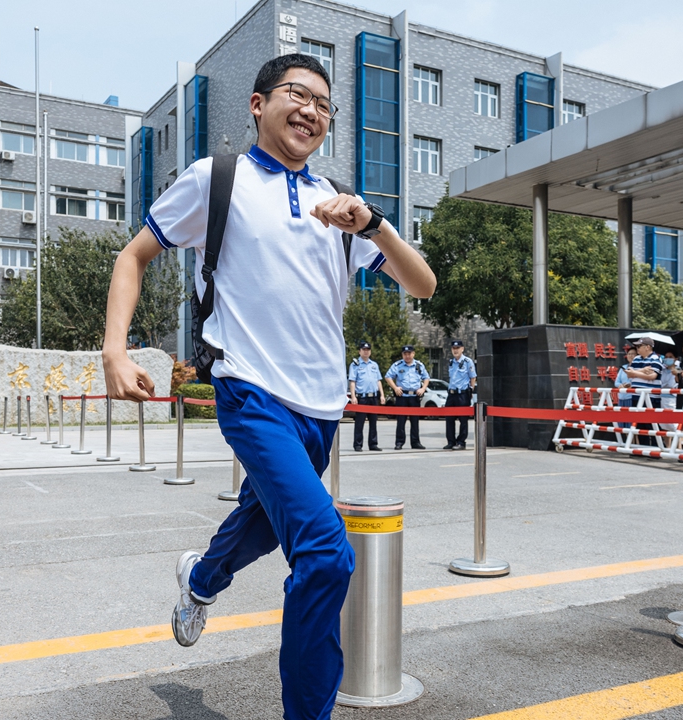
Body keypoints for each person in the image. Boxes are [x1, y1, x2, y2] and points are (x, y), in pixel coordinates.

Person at [99, 53, 436, 720]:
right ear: (258, 105)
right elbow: (132, 256)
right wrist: (114, 347)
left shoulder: (337, 201)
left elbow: (422, 284)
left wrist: (372, 224)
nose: (312, 110)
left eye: (324, 104)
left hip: (320, 407)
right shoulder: (216, 179)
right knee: (325, 554)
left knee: (262, 522)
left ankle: (199, 579)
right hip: (249, 391)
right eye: (297, 94)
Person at [386, 345, 430, 450]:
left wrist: (423, 388)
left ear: (413, 354)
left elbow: (426, 378)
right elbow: (388, 376)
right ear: (402, 355)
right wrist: (395, 388)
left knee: (415, 421)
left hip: (415, 396)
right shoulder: (397, 365)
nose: (407, 356)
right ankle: (399, 442)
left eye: (409, 353)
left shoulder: (419, 365)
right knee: (401, 421)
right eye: (405, 354)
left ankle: (415, 442)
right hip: (402, 396)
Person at [626, 338, 664, 446]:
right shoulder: (637, 358)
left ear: (648, 347)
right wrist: (643, 371)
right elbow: (629, 373)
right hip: (636, 395)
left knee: (652, 423)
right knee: (639, 423)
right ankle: (643, 448)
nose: (637, 349)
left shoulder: (656, 358)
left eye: (639, 346)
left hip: (651, 396)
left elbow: (652, 376)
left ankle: (658, 447)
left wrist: (635, 372)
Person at [348, 341, 384, 452]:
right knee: (360, 422)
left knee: (373, 422)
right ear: (359, 351)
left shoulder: (374, 365)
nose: (366, 352)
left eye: (368, 350)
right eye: (364, 350)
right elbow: (352, 381)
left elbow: (378, 381)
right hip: (362, 397)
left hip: (373, 397)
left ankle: (373, 444)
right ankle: (358, 444)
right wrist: (353, 396)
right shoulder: (355, 365)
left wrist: (382, 395)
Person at [443, 340, 476, 450]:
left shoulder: (468, 362)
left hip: (462, 394)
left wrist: (471, 390)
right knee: (449, 419)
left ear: (462, 349)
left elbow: (473, 377)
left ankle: (461, 442)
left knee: (463, 420)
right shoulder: (451, 362)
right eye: (453, 348)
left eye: (458, 348)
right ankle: (451, 441)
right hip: (451, 394)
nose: (455, 350)